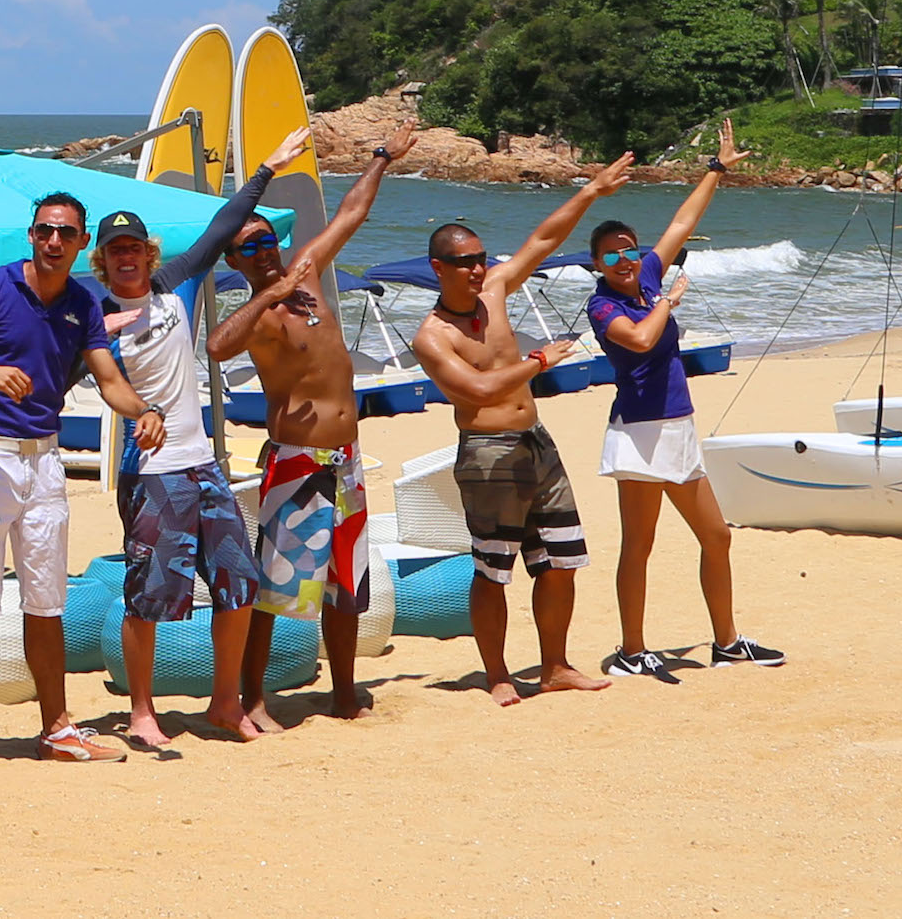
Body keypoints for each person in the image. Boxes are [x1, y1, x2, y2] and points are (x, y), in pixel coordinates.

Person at [0, 187, 158, 774]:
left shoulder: (82, 304)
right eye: (45, 230)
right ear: (32, 234)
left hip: (44, 462)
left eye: (66, 233)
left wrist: (144, 411)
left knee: (47, 601)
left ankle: (56, 728)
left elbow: (108, 380)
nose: (53, 241)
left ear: (80, 242)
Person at [408, 156, 635, 706]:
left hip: (537, 443)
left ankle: (555, 666)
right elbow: (479, 392)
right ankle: (497, 673)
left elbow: (543, 240)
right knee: (493, 569)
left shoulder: (496, 291)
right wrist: (537, 362)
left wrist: (592, 192)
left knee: (561, 559)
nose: (477, 270)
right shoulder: (432, 337)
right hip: (488, 455)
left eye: (481, 259)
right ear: (438, 268)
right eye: (464, 262)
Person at [90, 136, 291, 751]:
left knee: (238, 584)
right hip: (149, 472)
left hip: (202, 463)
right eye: (115, 251)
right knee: (148, 595)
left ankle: (225, 702)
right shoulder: (91, 314)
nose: (127, 259)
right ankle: (142, 711)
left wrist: (264, 171)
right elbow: (72, 375)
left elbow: (221, 225)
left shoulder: (176, 283)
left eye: (134, 249)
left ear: (150, 256)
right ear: (101, 262)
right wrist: (95, 337)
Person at [208, 132, 403, 722]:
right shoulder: (261, 309)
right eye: (248, 247)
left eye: (267, 240)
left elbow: (351, 212)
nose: (263, 251)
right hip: (299, 462)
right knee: (276, 589)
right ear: (234, 261)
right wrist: (272, 288)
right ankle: (254, 697)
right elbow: (218, 347)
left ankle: (344, 692)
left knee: (347, 585)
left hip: (347, 458)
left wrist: (381, 158)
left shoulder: (309, 274)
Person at [584, 121, 779, 676]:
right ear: (595, 264)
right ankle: (631, 650)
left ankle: (726, 641)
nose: (624, 261)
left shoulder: (646, 273)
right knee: (638, 547)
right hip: (640, 433)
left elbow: (682, 222)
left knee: (716, 536)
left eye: (629, 251)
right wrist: (668, 301)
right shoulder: (604, 308)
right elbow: (642, 340)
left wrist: (715, 169)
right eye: (610, 256)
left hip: (678, 426)